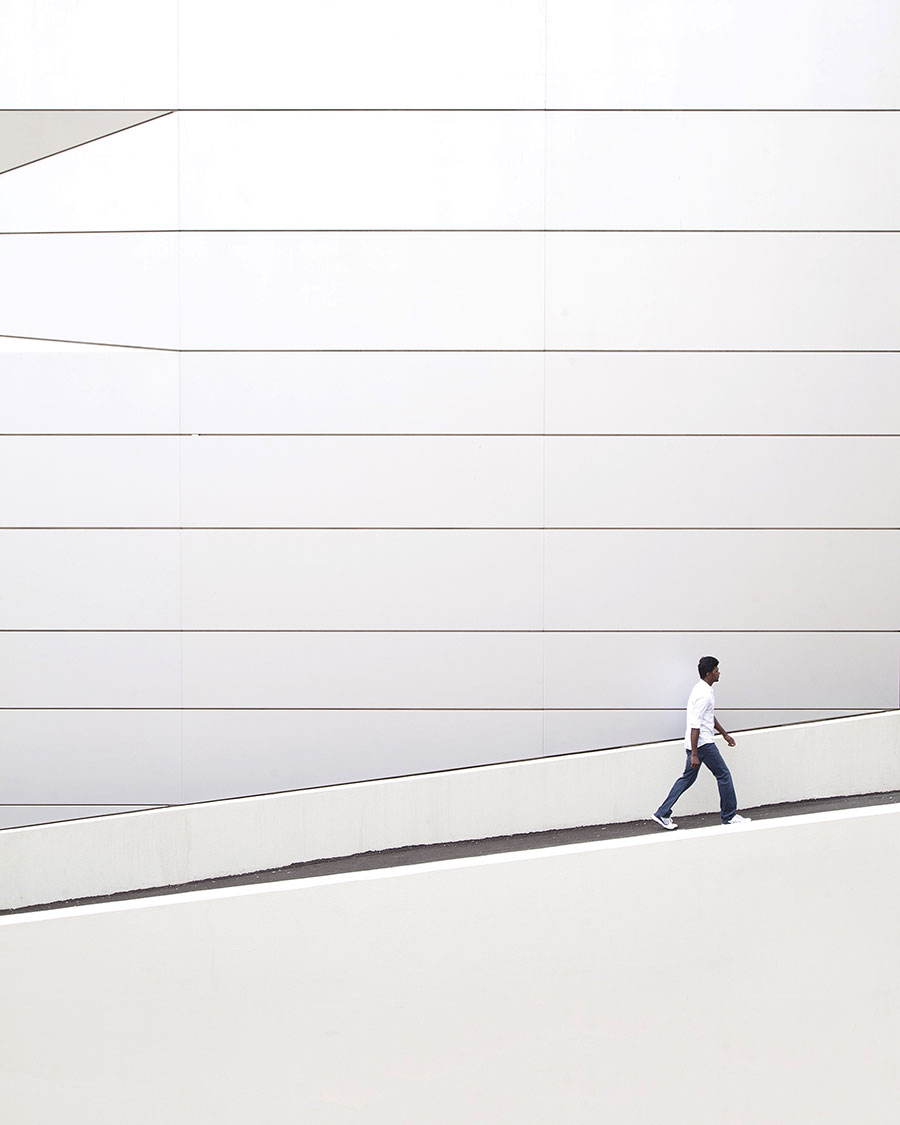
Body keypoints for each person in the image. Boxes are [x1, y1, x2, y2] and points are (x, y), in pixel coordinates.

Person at [651, 656, 750, 830]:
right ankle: (729, 816)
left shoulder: (701, 689)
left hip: (697, 743)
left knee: (687, 779)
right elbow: (696, 724)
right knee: (724, 775)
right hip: (703, 744)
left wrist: (725, 734)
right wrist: (695, 754)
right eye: (716, 670)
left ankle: (662, 812)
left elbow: (708, 716)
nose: (719, 672)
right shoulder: (704, 694)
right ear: (709, 673)